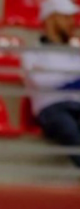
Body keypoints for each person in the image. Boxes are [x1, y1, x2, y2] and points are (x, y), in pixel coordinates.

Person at [23, 0, 80, 168]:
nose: (72, 23)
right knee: (68, 128)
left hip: (77, 105)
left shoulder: (76, 49)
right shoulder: (32, 53)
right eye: (65, 18)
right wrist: (73, 77)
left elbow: (51, 79)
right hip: (51, 109)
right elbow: (42, 81)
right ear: (51, 20)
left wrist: (59, 77)